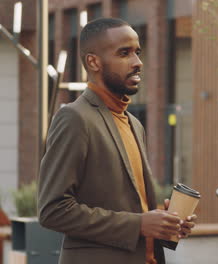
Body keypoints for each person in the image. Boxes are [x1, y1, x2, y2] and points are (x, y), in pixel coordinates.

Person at [38, 18, 196, 264]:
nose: (138, 62)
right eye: (125, 53)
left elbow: (134, 210)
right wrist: (140, 224)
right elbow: (53, 210)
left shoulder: (134, 123)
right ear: (94, 62)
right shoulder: (75, 118)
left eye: (138, 52)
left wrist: (164, 224)